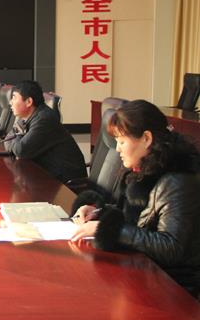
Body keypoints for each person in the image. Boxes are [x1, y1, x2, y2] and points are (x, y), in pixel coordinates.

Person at [72, 100, 200, 297]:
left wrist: (109, 230)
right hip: (144, 272)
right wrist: (98, 212)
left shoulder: (177, 181)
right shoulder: (143, 170)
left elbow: (171, 247)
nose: (117, 149)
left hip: (174, 290)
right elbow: (135, 218)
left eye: (122, 142)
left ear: (146, 138)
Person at [5, 80, 87, 183]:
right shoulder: (27, 117)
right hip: (48, 173)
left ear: (29, 102)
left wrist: (17, 138)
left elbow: (21, 151)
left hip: (65, 180)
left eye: (14, 97)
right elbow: (7, 140)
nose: (10, 102)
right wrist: (17, 142)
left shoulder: (44, 119)